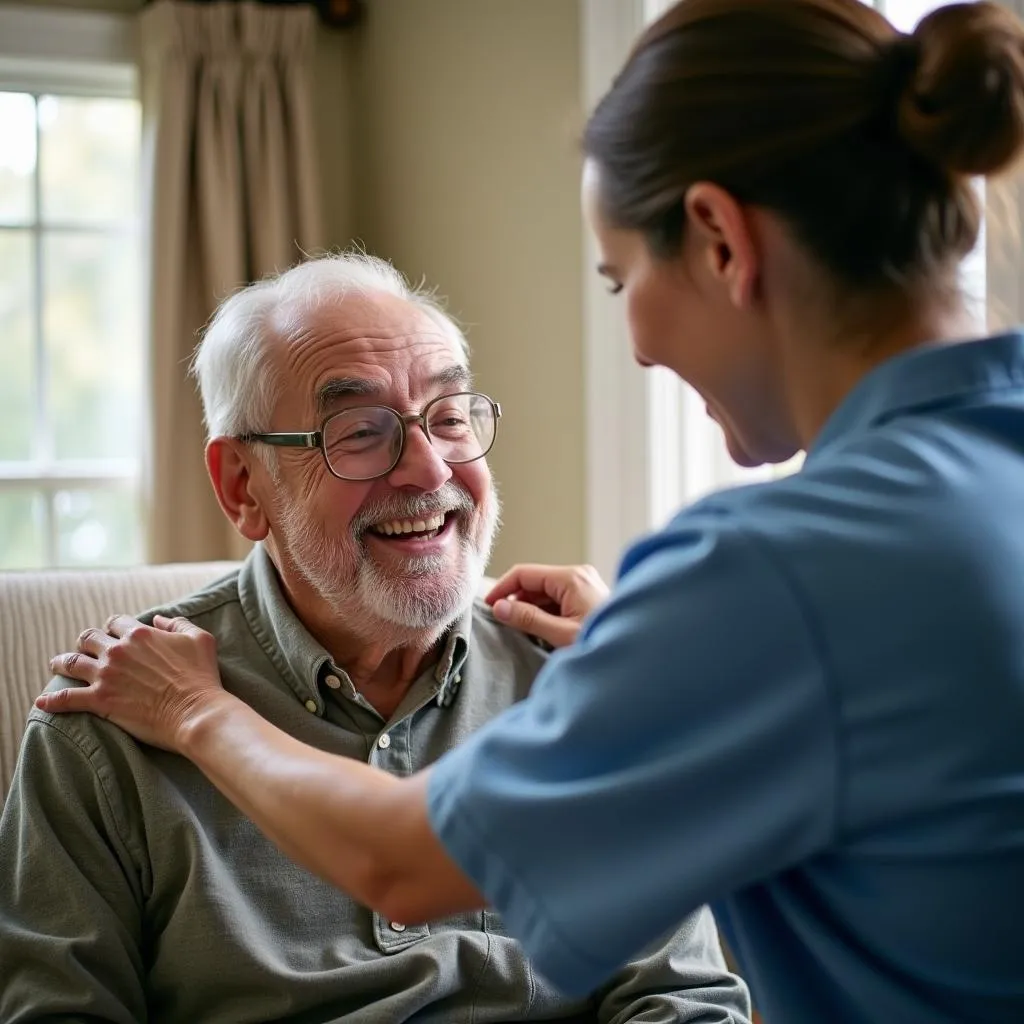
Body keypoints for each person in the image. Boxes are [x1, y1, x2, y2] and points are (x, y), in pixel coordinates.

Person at [36, 0, 1024, 1021]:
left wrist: (198, 712)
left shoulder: (764, 582)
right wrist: (668, 656)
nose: (636, 343)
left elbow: (404, 859)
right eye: (363, 429)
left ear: (720, 242)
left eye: (619, 277)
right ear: (242, 484)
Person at [0, 253, 752, 1023]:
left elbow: (680, 999)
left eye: (452, 418)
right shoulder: (110, 717)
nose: (429, 470)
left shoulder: (576, 675)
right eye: (360, 432)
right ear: (242, 486)